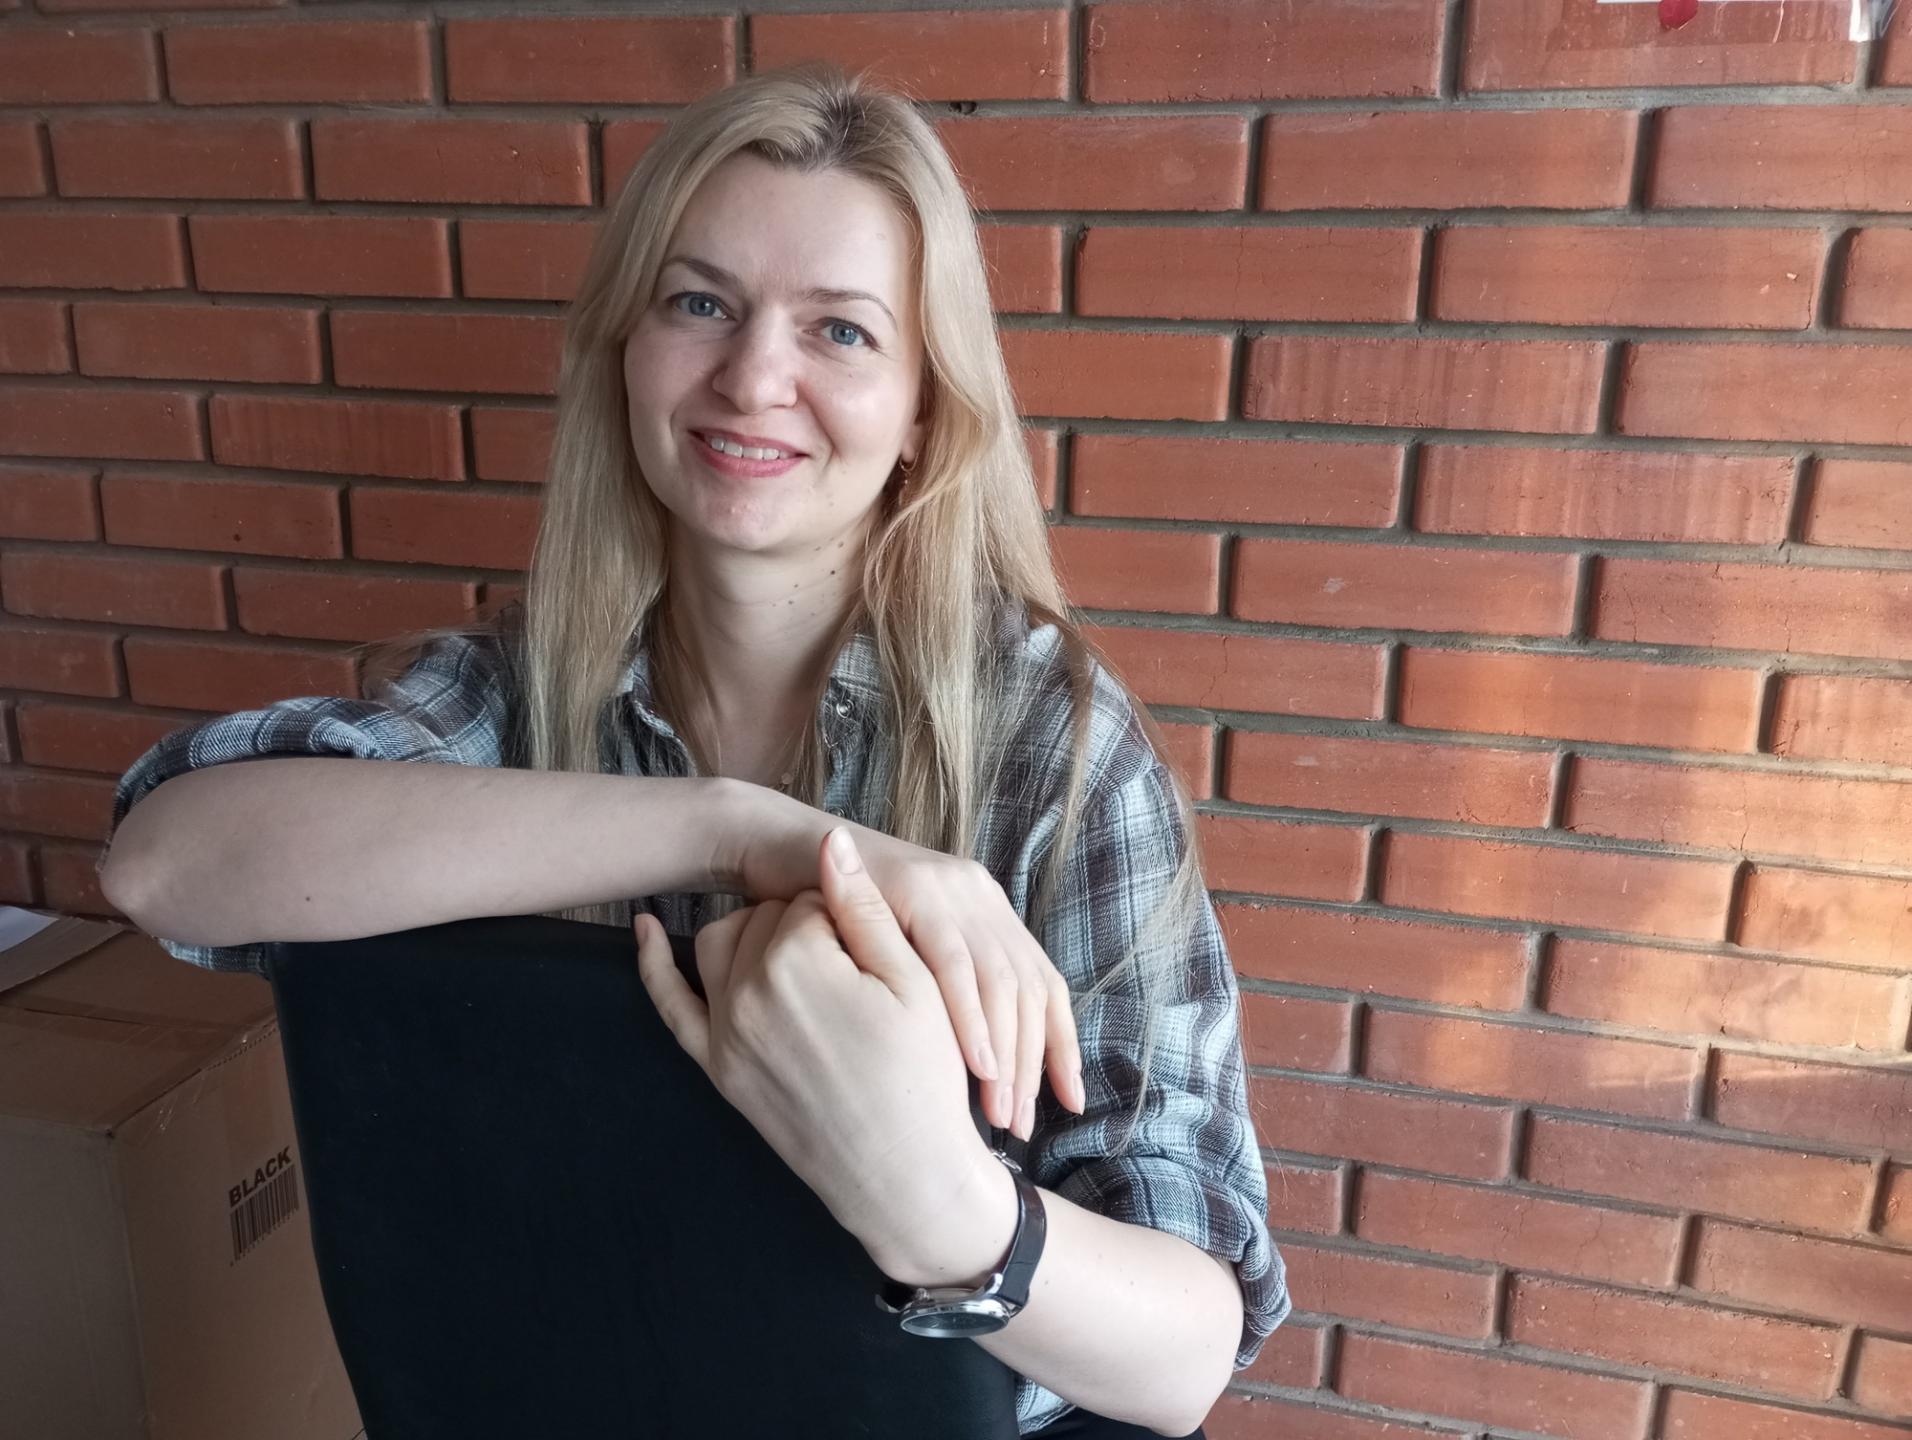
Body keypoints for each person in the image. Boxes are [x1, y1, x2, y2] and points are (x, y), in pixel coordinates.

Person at [95, 62, 1289, 1437]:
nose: (754, 377)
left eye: (840, 331)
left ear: (923, 409)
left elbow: (1186, 1358)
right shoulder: (510, 692)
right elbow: (162, 865)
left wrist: (939, 1206)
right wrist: (735, 828)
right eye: (699, 303)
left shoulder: (1048, 742)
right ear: (627, 350)